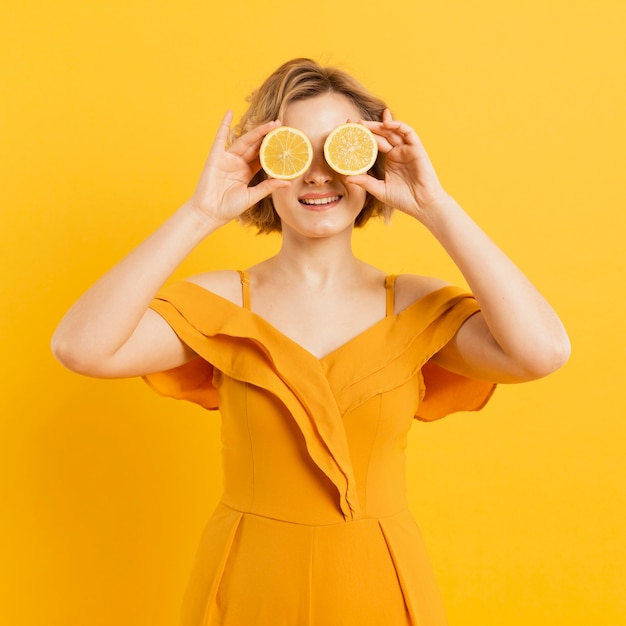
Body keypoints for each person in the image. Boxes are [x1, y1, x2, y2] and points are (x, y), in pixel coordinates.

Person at [51, 58, 570, 625]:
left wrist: (436, 208)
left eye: (340, 149)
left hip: (381, 580)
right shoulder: (226, 303)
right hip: (245, 580)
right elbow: (81, 348)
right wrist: (199, 214)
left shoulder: (413, 305)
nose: (318, 173)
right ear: (260, 167)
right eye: (295, 150)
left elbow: (541, 352)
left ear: (371, 161)